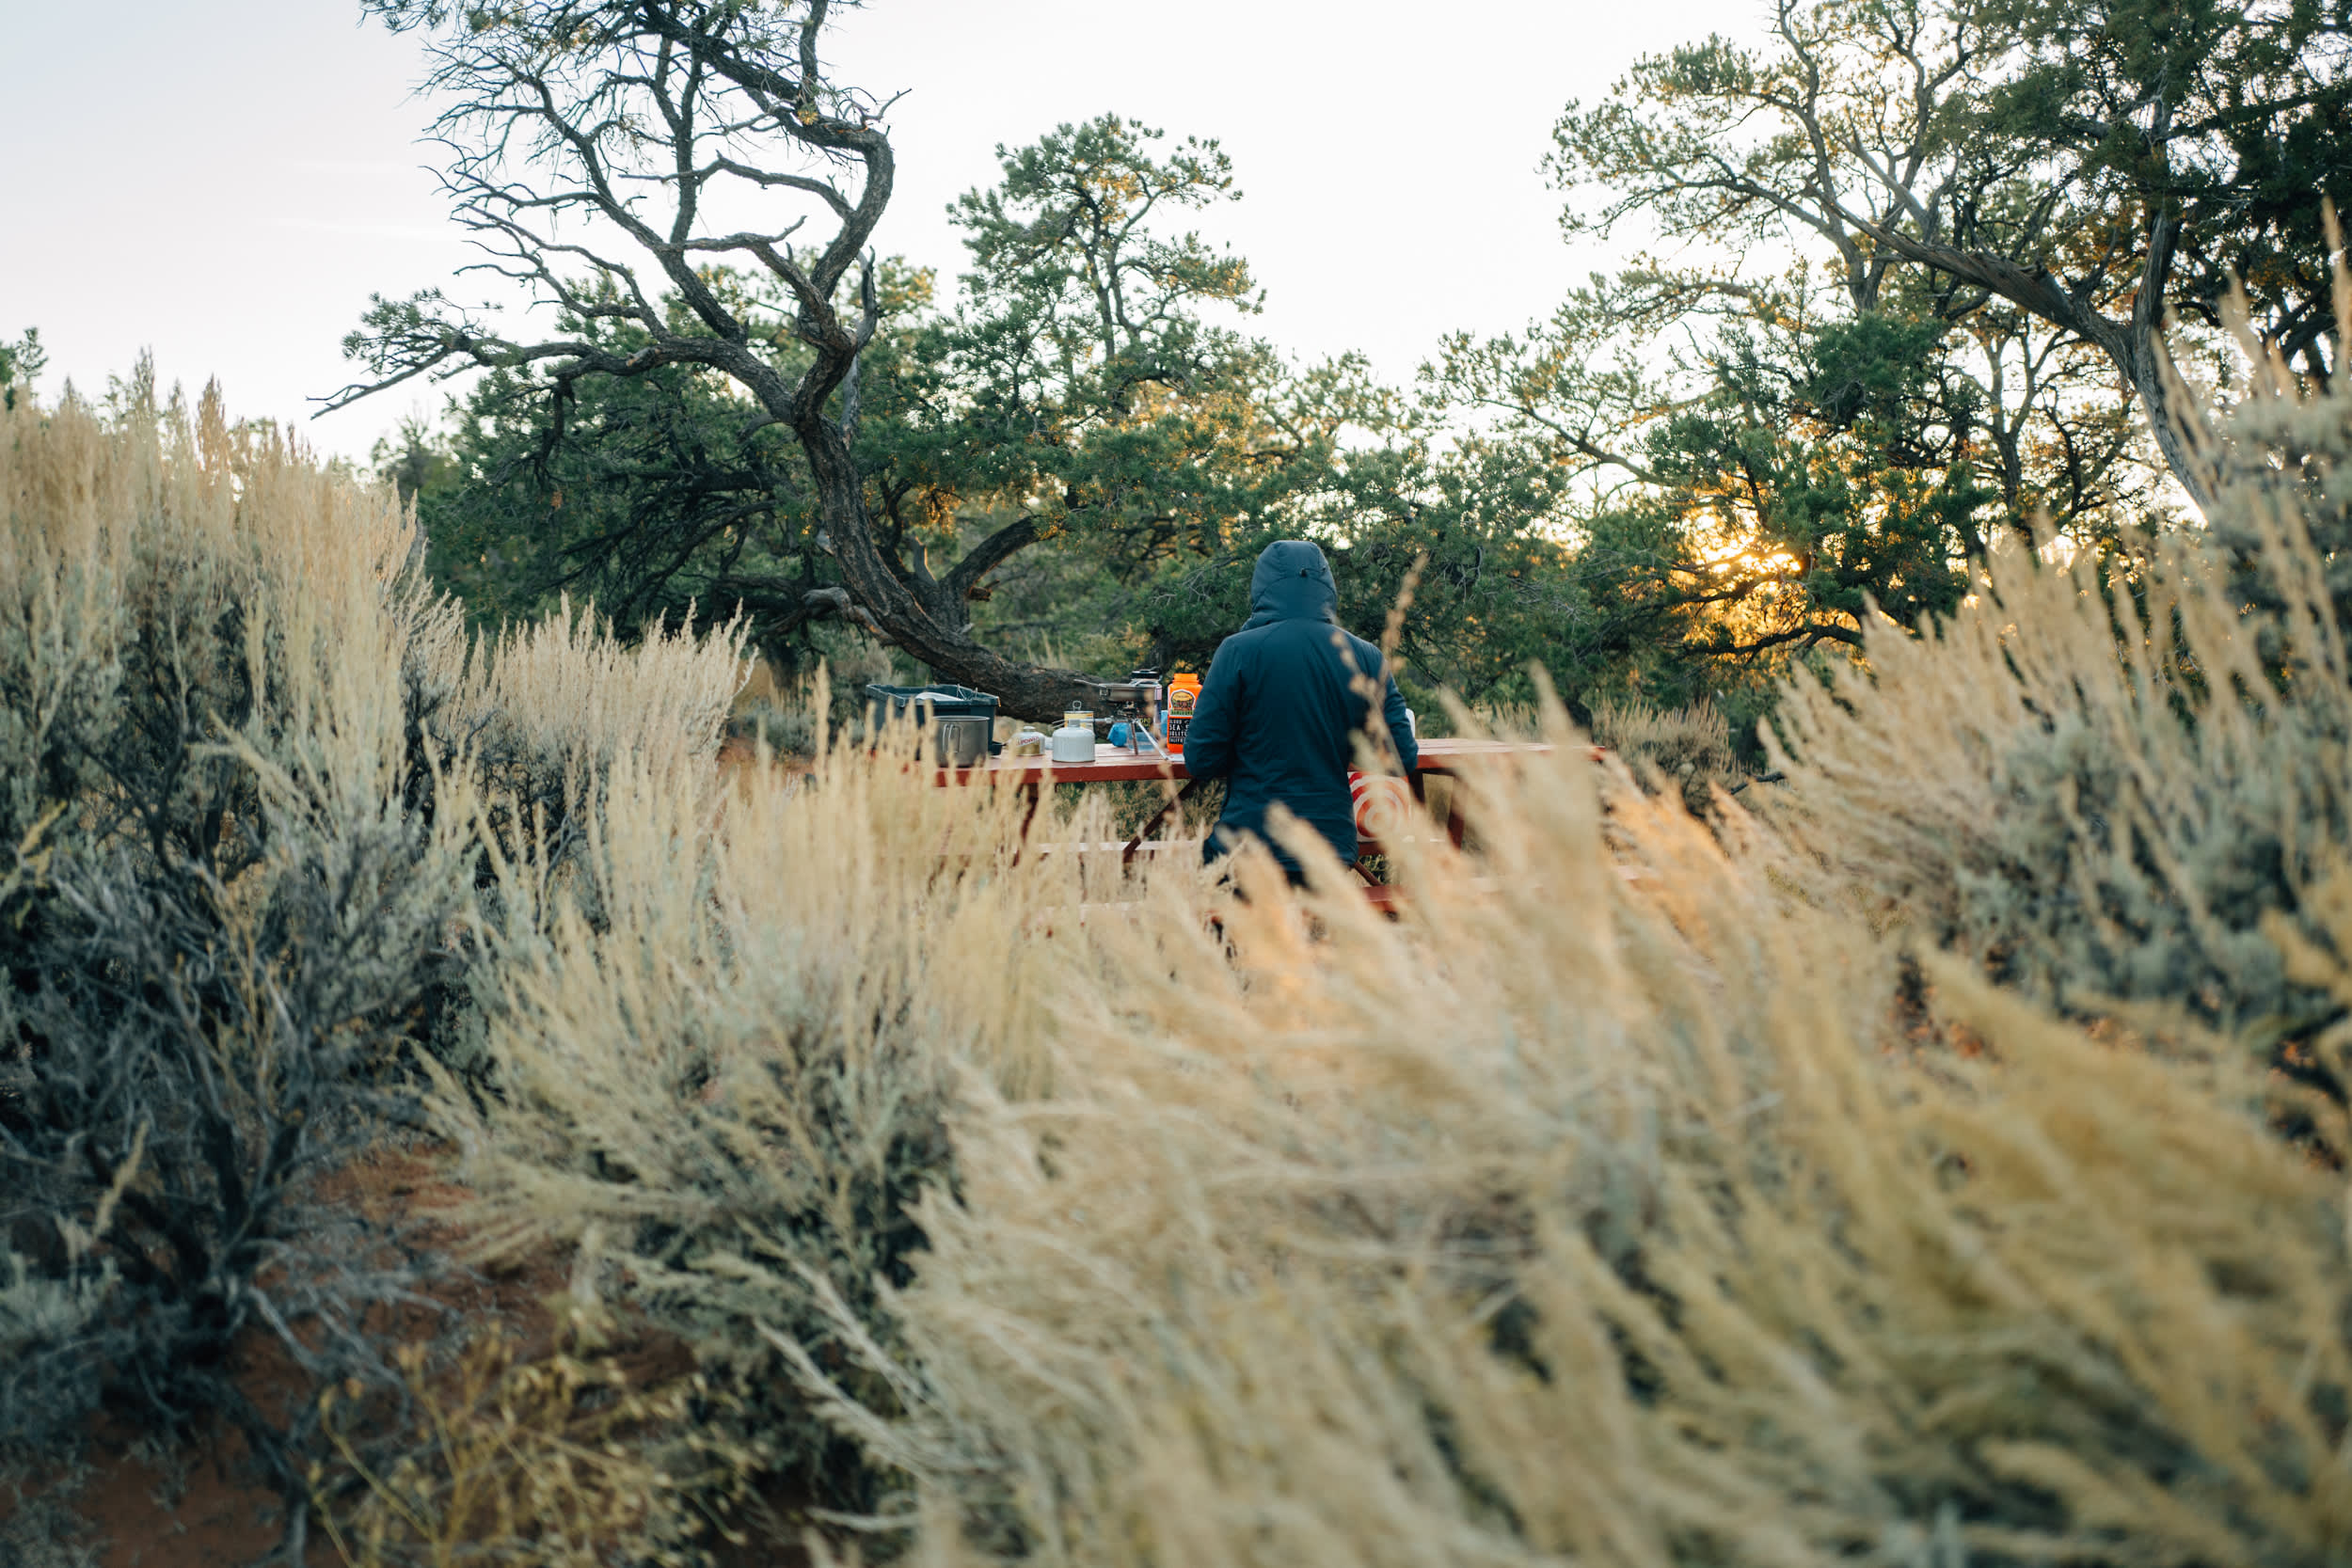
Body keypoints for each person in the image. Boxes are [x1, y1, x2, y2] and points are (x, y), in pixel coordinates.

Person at [1180, 539, 1419, 882]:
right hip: (1330, 849)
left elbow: (1201, 761)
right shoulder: (1365, 656)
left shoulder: (1237, 651)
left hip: (1246, 846)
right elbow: (1400, 758)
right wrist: (1343, 743)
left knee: (1196, 904)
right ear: (1326, 586)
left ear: (1262, 589)